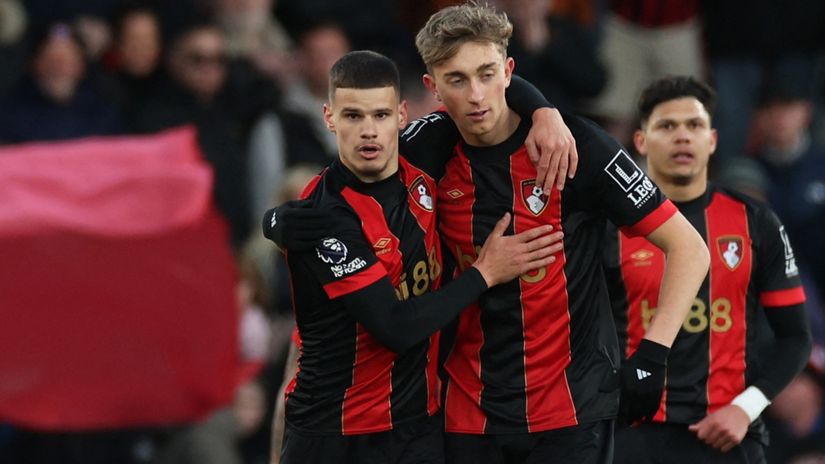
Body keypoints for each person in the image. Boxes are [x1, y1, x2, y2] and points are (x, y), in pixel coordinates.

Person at [408, 4, 708, 463]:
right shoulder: (426, 148)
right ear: (433, 88)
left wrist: (652, 356)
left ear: (509, 71)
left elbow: (688, 248)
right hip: (468, 413)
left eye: (487, 73)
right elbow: (351, 170)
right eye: (457, 80)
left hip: (573, 410)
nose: (476, 95)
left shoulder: (576, 146)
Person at [265, 50, 565, 464]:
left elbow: (487, 94)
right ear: (329, 118)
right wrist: (485, 273)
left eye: (381, 115)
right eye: (353, 116)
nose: (369, 131)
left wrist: (546, 112)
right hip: (335, 434)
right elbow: (395, 327)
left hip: (417, 427)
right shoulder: (325, 217)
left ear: (402, 114)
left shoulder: (422, 162)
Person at [604, 76, 812, 463]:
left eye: (694, 125)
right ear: (641, 141)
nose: (683, 136)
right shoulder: (608, 227)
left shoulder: (757, 222)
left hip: (728, 432)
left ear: (712, 140)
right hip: (632, 434)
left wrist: (746, 407)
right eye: (667, 126)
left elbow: (797, 337)